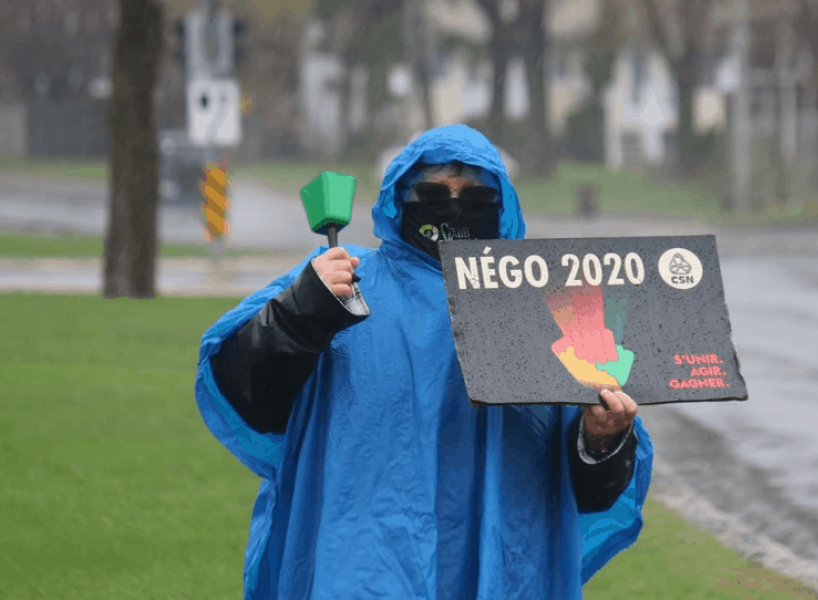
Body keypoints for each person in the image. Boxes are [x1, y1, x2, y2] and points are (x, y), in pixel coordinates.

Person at [194, 124, 654, 600]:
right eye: (433, 192)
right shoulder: (341, 279)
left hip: (498, 557)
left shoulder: (542, 308)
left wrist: (602, 439)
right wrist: (301, 309)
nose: (453, 206)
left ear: (501, 208)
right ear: (400, 198)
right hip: (362, 557)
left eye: (474, 196)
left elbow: (590, 489)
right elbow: (243, 390)